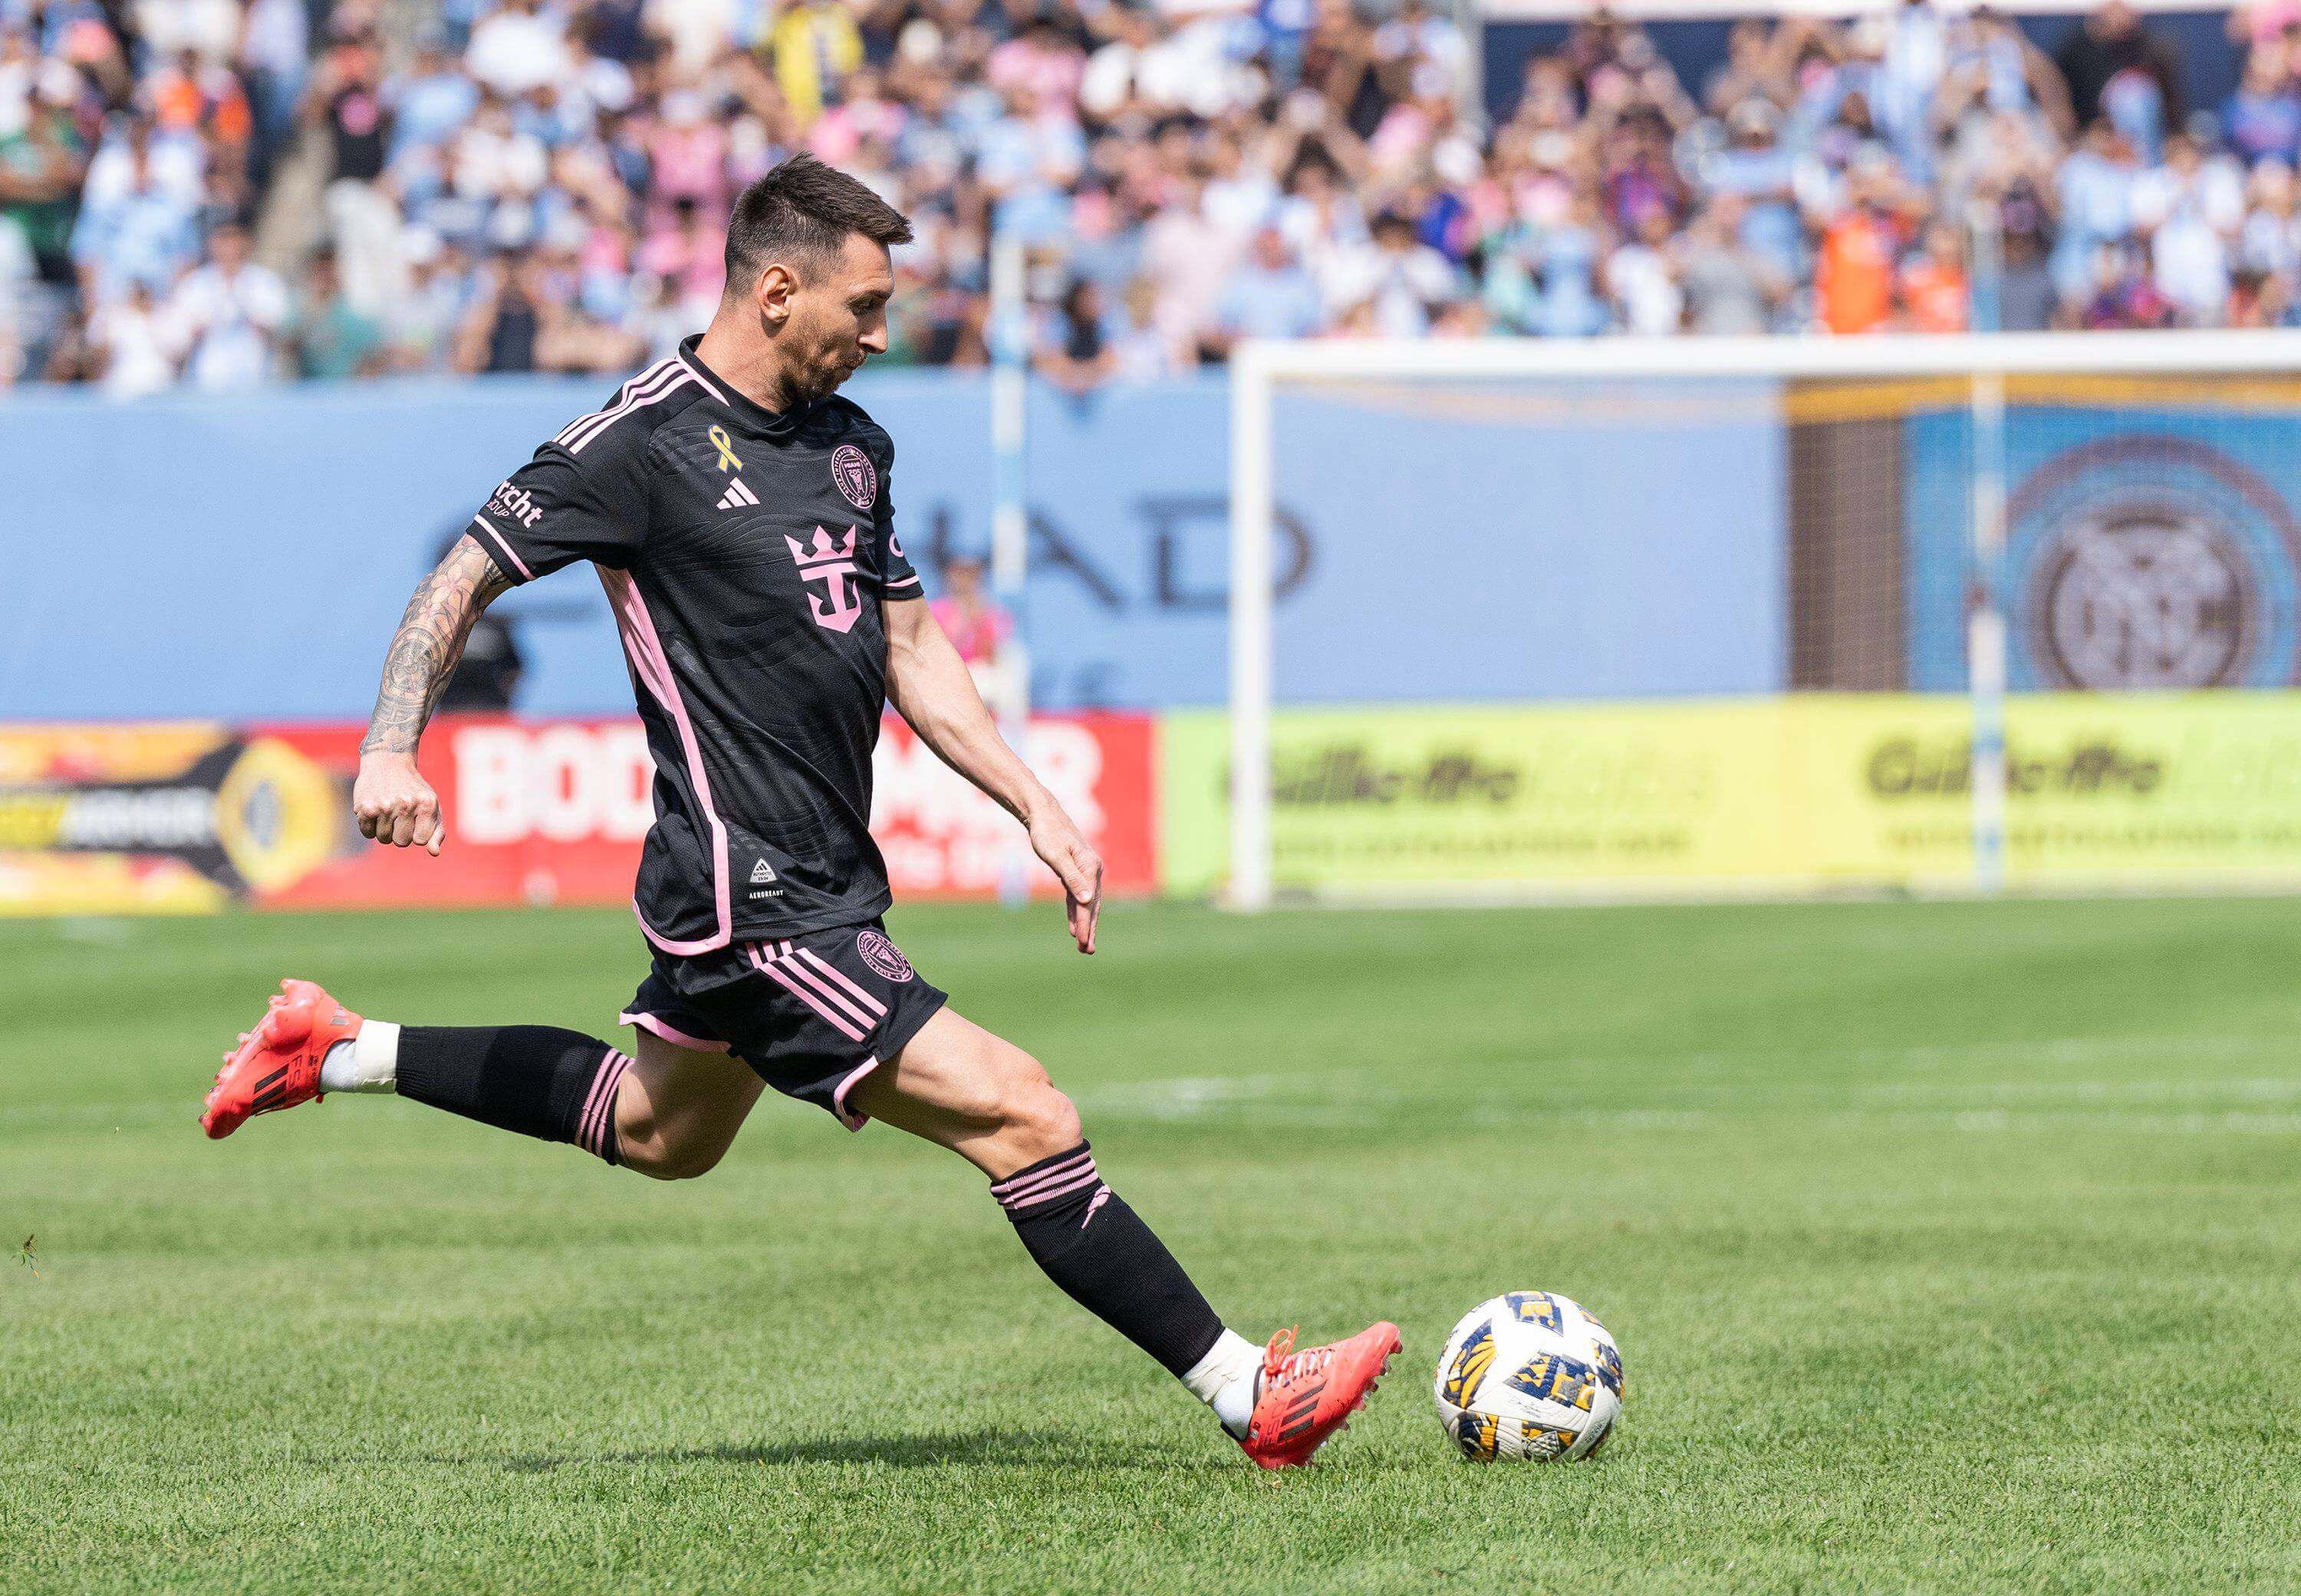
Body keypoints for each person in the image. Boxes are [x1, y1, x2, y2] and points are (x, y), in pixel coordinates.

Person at [199, 153, 1399, 1469]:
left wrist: (1035, 803)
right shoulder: (637, 443)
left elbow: (911, 648)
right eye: (864, 307)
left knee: (663, 1131)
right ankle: (1250, 1391)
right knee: (1026, 1111)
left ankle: (336, 1045)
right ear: (777, 292)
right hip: (752, 893)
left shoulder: (851, 447)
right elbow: (460, 579)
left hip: (817, 873)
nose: (880, 336)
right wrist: (390, 747)